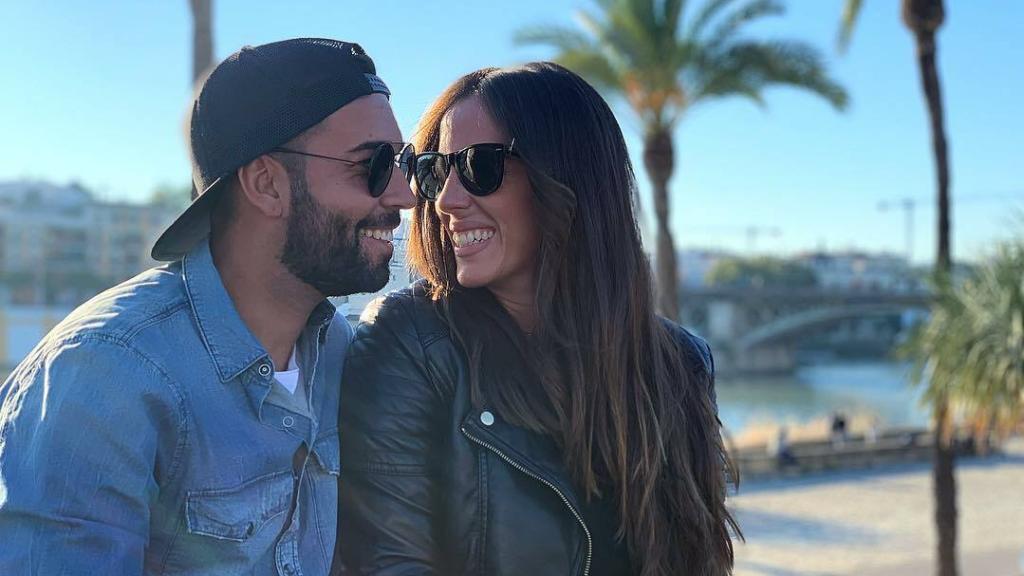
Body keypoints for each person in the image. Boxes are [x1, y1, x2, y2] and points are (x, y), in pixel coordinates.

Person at [0, 38, 416, 575]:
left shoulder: (335, 349)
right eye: (375, 165)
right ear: (267, 184)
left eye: (405, 163)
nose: (405, 193)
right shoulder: (106, 374)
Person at [336, 62, 738, 576]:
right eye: (435, 170)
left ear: (568, 176)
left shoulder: (681, 365)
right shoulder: (411, 346)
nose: (446, 201)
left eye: (481, 166)